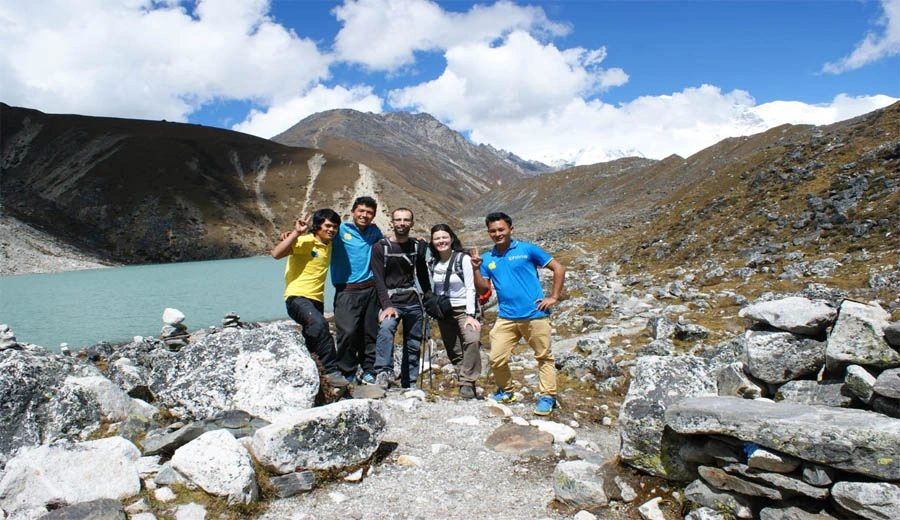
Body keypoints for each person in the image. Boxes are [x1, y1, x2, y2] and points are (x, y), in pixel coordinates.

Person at [471, 212, 566, 416]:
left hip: (535, 314)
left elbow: (558, 268)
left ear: (510, 230)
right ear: (488, 233)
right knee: (496, 358)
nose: (497, 234)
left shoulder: (527, 249)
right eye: (493, 231)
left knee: (543, 357)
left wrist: (554, 297)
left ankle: (547, 396)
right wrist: (476, 269)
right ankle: (506, 391)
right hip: (506, 316)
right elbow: (482, 290)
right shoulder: (487, 258)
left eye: (501, 229)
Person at [271, 209, 349, 387]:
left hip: (316, 300)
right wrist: (296, 233)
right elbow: (276, 254)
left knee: (313, 335)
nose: (331, 230)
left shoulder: (329, 244)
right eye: (327, 226)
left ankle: (315, 376)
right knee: (320, 325)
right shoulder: (306, 241)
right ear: (317, 226)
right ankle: (331, 371)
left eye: (335, 227)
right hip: (297, 297)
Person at [371, 208, 433, 388]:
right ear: (392, 223)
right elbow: (378, 279)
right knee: (386, 329)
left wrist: (428, 296)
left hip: (413, 301)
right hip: (391, 301)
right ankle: (383, 372)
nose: (402, 223)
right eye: (398, 220)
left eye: (406, 220)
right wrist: (387, 305)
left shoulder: (416, 247)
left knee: (413, 342)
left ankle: (409, 381)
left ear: (412, 224)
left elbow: (422, 273)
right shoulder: (380, 247)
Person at [330, 196, 384, 384]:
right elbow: (319, 237)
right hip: (346, 289)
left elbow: (386, 243)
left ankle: (369, 370)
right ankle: (347, 370)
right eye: (361, 211)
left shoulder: (374, 232)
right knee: (347, 331)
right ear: (353, 211)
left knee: (370, 332)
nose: (364, 215)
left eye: (369, 212)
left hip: (370, 289)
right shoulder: (339, 230)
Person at [428, 224, 482, 399]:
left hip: (463, 309)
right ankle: (466, 383)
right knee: (454, 350)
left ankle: (466, 381)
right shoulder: (432, 262)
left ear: (451, 238)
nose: (441, 241)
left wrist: (470, 315)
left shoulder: (462, 259)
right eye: (437, 238)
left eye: (444, 237)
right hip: (444, 310)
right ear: (432, 241)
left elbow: (470, 287)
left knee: (472, 340)